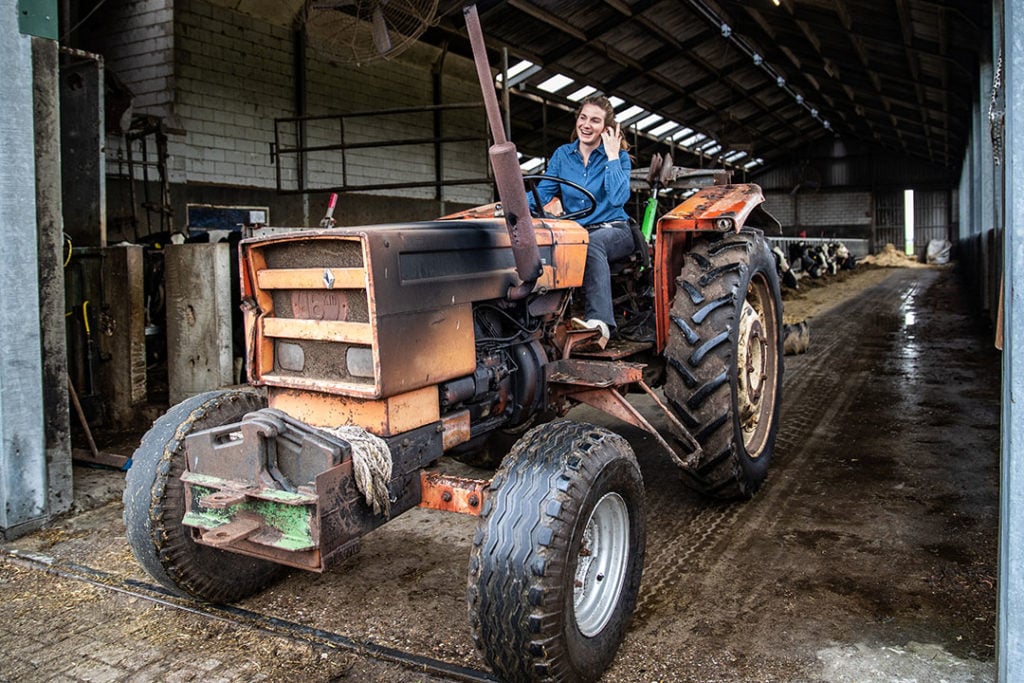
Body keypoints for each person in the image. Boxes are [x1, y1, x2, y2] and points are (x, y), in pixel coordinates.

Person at [531, 95, 633, 346]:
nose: (587, 125)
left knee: (591, 243)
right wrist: (508, 207)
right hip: (575, 232)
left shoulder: (617, 157)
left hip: (614, 229)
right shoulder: (563, 155)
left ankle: (600, 325)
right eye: (583, 117)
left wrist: (611, 156)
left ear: (606, 128)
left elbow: (619, 198)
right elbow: (543, 193)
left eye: (595, 121)